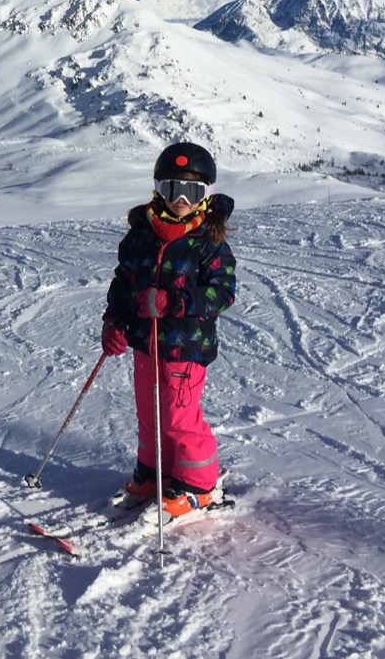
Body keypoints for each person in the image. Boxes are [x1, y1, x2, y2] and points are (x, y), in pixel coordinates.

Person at [100, 141, 236, 517]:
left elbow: (223, 292)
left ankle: (199, 484)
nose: (181, 200)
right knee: (149, 411)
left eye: (192, 192)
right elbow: (124, 283)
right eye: (171, 189)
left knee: (179, 417)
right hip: (146, 342)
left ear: (205, 197)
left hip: (185, 347)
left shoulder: (209, 241)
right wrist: (114, 321)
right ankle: (153, 471)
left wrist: (177, 303)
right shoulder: (142, 235)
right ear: (157, 190)